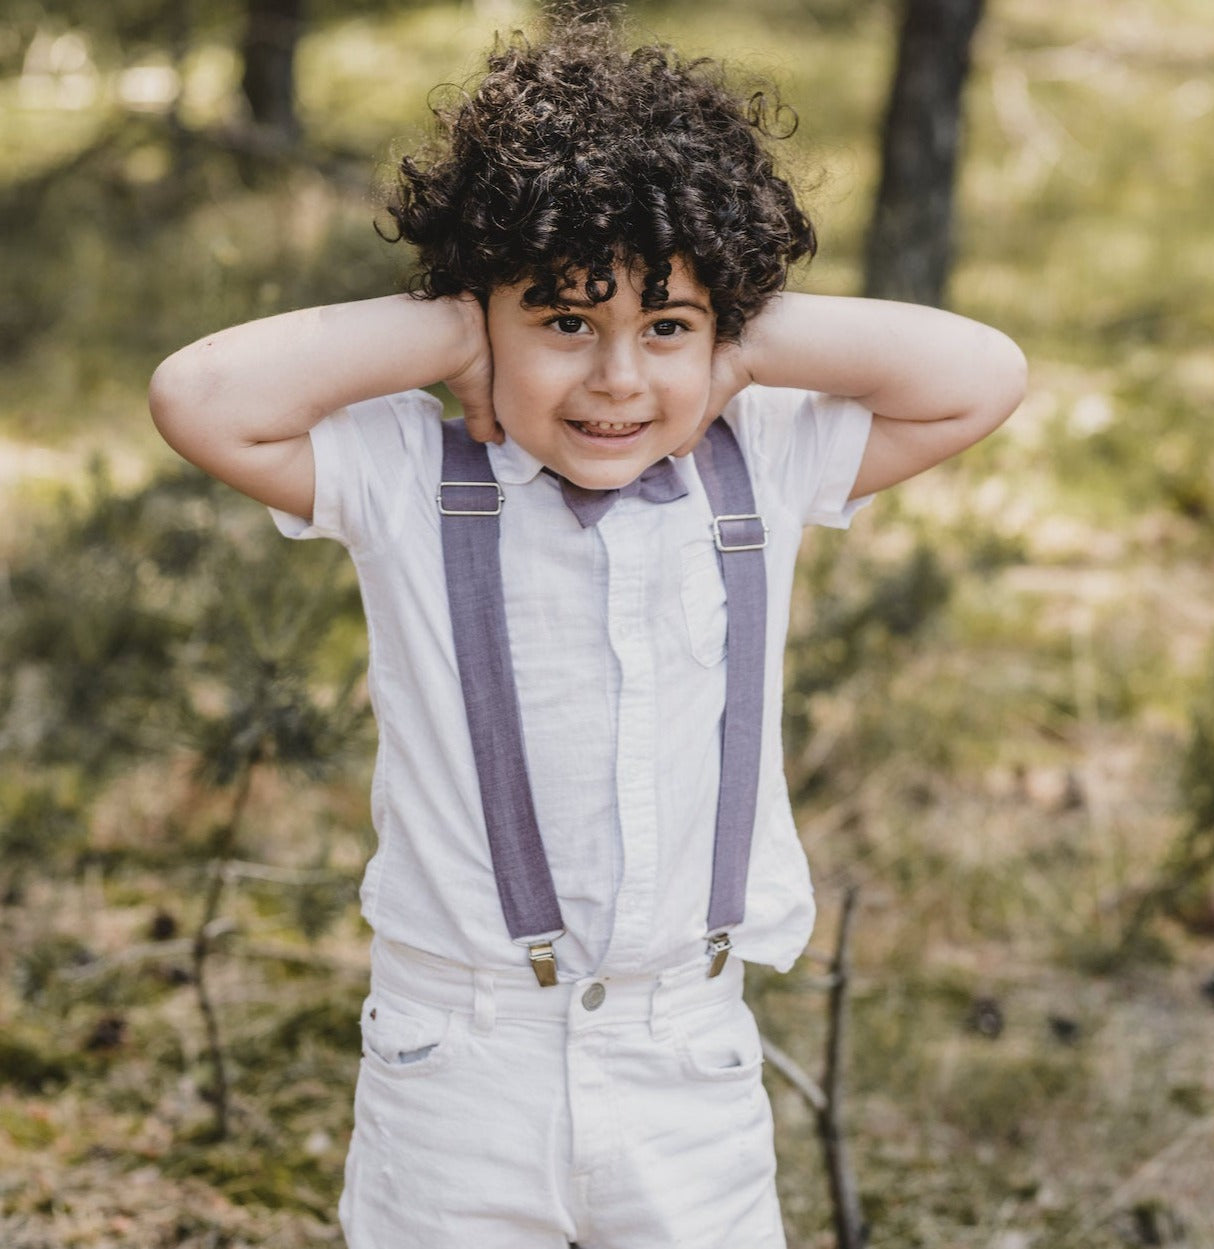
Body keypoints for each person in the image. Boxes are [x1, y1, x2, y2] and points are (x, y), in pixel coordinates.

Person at [149, 16, 1026, 1249]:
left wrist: (734, 344)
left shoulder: (757, 464)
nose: (617, 380)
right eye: (563, 322)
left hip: (686, 1058)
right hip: (458, 1056)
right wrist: (453, 333)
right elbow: (199, 397)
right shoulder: (411, 475)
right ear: (484, 316)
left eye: (663, 327)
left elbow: (979, 369)